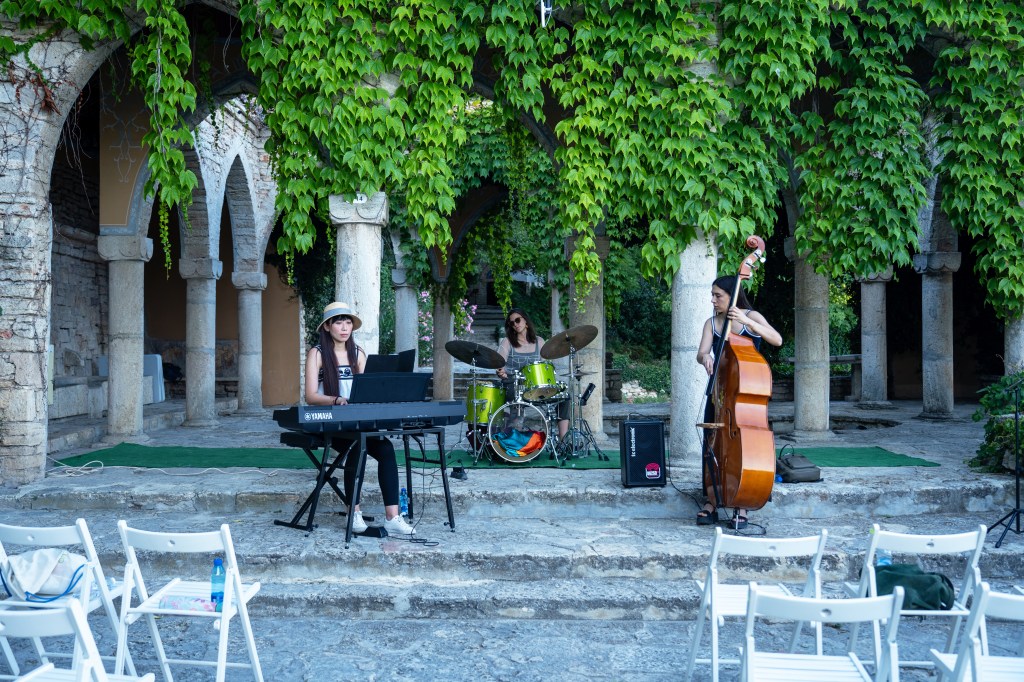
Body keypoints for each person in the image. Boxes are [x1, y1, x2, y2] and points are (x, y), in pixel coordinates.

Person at [304, 301, 415, 536]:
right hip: (330, 422)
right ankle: (353, 513)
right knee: (357, 445)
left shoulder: (358, 353)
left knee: (386, 449)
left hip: (356, 421)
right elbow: (311, 396)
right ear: (327, 327)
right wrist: (336, 400)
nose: (345, 327)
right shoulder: (317, 353)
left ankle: (393, 517)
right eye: (338, 323)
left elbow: (367, 390)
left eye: (348, 322)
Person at [694, 275, 782, 530]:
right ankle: (712, 497)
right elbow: (701, 352)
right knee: (712, 445)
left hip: (743, 398)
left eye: (718, 295)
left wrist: (746, 321)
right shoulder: (712, 323)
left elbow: (777, 339)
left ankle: (741, 501)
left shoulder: (751, 317)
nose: (713, 300)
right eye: (712, 295)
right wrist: (705, 358)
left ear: (732, 295)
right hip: (720, 395)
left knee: (742, 448)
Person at [495, 308, 569, 440]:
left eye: (518, 320)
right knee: (515, 394)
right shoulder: (507, 342)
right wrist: (501, 371)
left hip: (536, 386)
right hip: (513, 385)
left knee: (564, 397)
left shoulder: (539, 341)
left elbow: (545, 366)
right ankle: (515, 437)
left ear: (526, 321)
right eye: (512, 323)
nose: (515, 324)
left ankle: (563, 441)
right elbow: (499, 363)